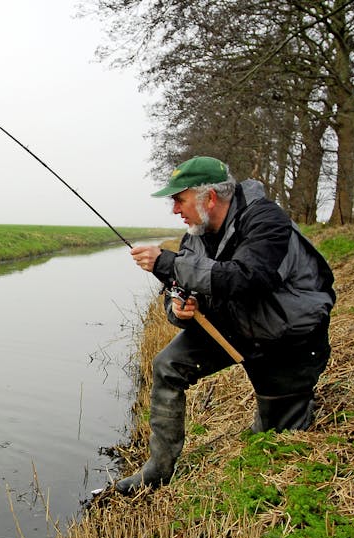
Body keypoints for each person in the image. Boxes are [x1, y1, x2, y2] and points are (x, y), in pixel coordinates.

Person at [119, 156, 335, 494]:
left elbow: (247, 278)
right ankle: (157, 470)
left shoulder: (267, 221)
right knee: (167, 366)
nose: (175, 210)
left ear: (209, 198)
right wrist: (181, 310)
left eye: (179, 199)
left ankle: (296, 402)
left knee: (274, 441)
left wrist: (167, 263)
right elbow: (180, 290)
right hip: (238, 324)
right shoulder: (195, 235)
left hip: (288, 338)